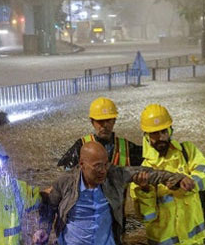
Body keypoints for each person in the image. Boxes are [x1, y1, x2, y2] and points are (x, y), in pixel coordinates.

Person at [37, 141, 186, 245]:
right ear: (82, 164)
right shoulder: (65, 182)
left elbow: (147, 172)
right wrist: (43, 228)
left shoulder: (114, 175)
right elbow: (49, 207)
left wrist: (177, 179)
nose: (103, 170)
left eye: (105, 164)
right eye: (97, 166)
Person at [130, 103, 205, 245]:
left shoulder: (188, 151)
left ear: (170, 130)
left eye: (163, 131)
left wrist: (191, 182)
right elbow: (146, 217)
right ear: (147, 136)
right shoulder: (143, 170)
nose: (160, 137)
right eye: (154, 133)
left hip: (195, 241)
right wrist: (144, 190)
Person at [57, 97, 144, 235]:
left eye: (108, 120)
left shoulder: (127, 148)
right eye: (100, 121)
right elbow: (65, 181)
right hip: (87, 218)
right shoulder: (81, 147)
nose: (104, 125)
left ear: (114, 121)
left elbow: (153, 159)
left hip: (116, 219)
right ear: (92, 122)